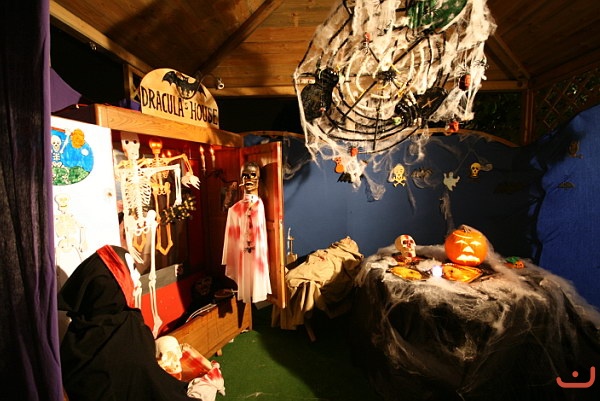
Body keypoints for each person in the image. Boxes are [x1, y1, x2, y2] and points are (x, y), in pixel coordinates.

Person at [59, 245, 199, 401]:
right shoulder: (128, 328)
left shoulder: (75, 335)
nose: (137, 275)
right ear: (113, 284)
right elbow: (147, 381)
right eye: (132, 268)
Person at [222, 162, 271, 303]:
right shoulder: (235, 209)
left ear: (258, 178)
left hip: (256, 253)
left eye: (252, 175)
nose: (248, 179)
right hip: (243, 252)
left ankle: (257, 293)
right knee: (245, 270)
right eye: (245, 175)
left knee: (255, 272)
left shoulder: (259, 205)